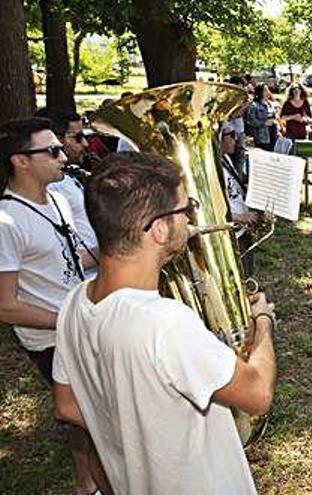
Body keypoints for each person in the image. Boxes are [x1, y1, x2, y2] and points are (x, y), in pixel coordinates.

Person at [52, 152, 277, 495]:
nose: (190, 219)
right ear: (158, 229)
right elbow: (258, 392)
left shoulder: (74, 302)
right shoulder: (164, 323)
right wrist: (262, 321)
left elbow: (68, 406)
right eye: (185, 210)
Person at [0, 117, 100, 495]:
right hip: (51, 336)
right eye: (52, 150)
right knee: (83, 413)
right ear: (20, 160)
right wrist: (66, 321)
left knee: (92, 411)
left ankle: (94, 481)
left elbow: (64, 258)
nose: (63, 156)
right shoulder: (6, 222)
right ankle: (86, 485)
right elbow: (5, 306)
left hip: (76, 322)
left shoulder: (57, 199)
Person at [36, 108, 100, 276]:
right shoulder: (49, 186)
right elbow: (55, 260)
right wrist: (113, 251)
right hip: (80, 283)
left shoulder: (67, 177)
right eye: (78, 137)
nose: (85, 144)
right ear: (56, 140)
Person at [220, 123, 259, 276]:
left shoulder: (226, 159)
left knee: (249, 273)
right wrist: (240, 217)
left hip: (243, 228)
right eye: (232, 135)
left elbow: (235, 190)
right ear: (219, 138)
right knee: (240, 276)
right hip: (233, 230)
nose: (236, 140)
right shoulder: (213, 168)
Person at [246, 84, 278, 152]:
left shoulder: (270, 104)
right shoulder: (254, 105)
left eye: (268, 90)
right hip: (262, 137)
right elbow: (250, 120)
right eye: (265, 90)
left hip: (273, 134)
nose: (268, 92)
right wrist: (264, 123)